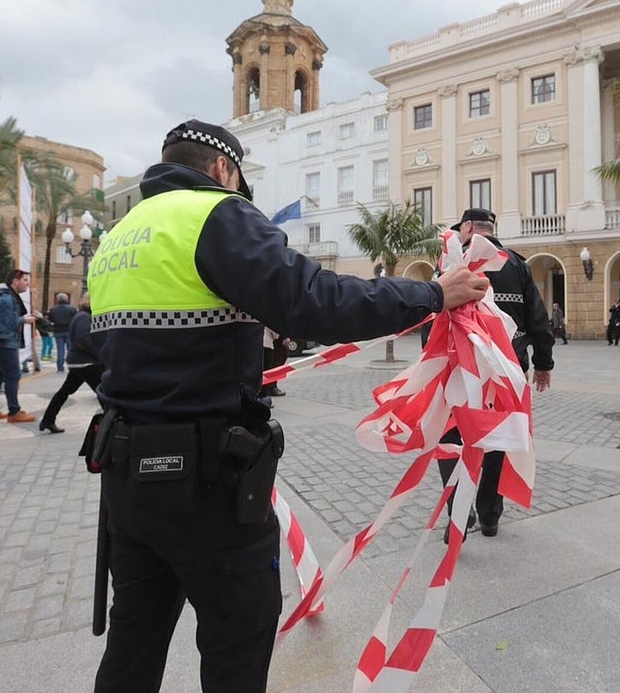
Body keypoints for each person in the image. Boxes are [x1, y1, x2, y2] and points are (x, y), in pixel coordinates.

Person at [85, 120, 489, 693]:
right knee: (238, 635)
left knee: (134, 640)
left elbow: (103, 344)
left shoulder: (117, 237)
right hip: (206, 481)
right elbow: (315, 300)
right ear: (224, 169)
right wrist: (430, 293)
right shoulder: (215, 213)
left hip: (126, 474)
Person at [436, 208, 554, 541]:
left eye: (461, 230)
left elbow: (435, 314)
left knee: (449, 438)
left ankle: (460, 512)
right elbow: (537, 317)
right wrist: (544, 363)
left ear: (469, 228)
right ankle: (490, 515)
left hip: (461, 369)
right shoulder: (517, 264)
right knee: (497, 440)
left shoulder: (454, 264)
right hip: (508, 370)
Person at [0, 270, 37, 424]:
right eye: (24, 280)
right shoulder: (7, 298)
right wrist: (24, 319)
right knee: (13, 375)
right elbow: (4, 323)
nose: (27, 283)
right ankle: (14, 411)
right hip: (3, 342)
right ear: (15, 281)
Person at [38, 295, 103, 434]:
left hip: (78, 362)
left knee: (64, 392)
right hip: (86, 362)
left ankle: (48, 420)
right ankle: (113, 423)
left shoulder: (81, 316)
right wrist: (100, 354)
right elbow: (83, 339)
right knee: (103, 392)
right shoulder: (85, 317)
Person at [47, 292, 78, 373]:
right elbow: (75, 319)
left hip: (58, 331)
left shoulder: (53, 309)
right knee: (70, 349)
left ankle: (60, 367)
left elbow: (50, 319)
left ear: (57, 300)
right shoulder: (72, 309)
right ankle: (71, 366)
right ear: (66, 299)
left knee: (60, 350)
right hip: (69, 331)